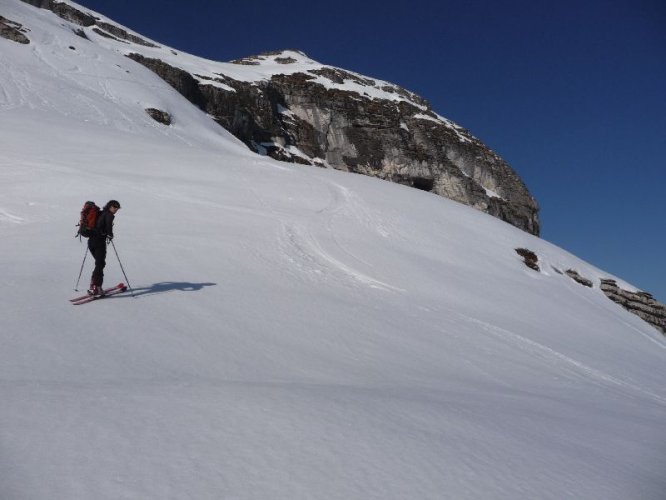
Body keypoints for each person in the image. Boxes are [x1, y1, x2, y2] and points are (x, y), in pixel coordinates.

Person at [88, 200, 121, 296]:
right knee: (100, 263)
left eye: (117, 209)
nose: (116, 210)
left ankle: (93, 285)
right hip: (99, 242)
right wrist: (110, 235)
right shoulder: (109, 215)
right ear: (110, 206)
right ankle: (96, 287)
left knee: (99, 263)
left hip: (91, 241)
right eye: (114, 208)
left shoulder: (100, 213)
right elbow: (109, 226)